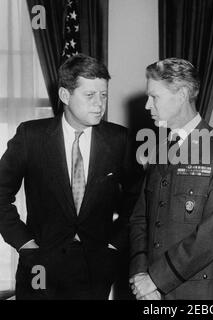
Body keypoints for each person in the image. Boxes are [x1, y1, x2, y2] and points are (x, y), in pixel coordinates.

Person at [0, 54, 139, 299]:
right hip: (39, 266)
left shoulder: (119, 140)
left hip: (95, 269)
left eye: (104, 95)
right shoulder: (30, 136)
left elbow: (137, 200)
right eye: (90, 95)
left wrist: (113, 244)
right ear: (65, 95)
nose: (99, 104)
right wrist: (26, 245)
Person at [128, 58, 213, 300]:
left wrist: (156, 279)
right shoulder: (157, 148)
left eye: (154, 97)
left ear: (181, 95)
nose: (148, 105)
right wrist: (140, 275)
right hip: (148, 292)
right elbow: (140, 218)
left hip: (197, 293)